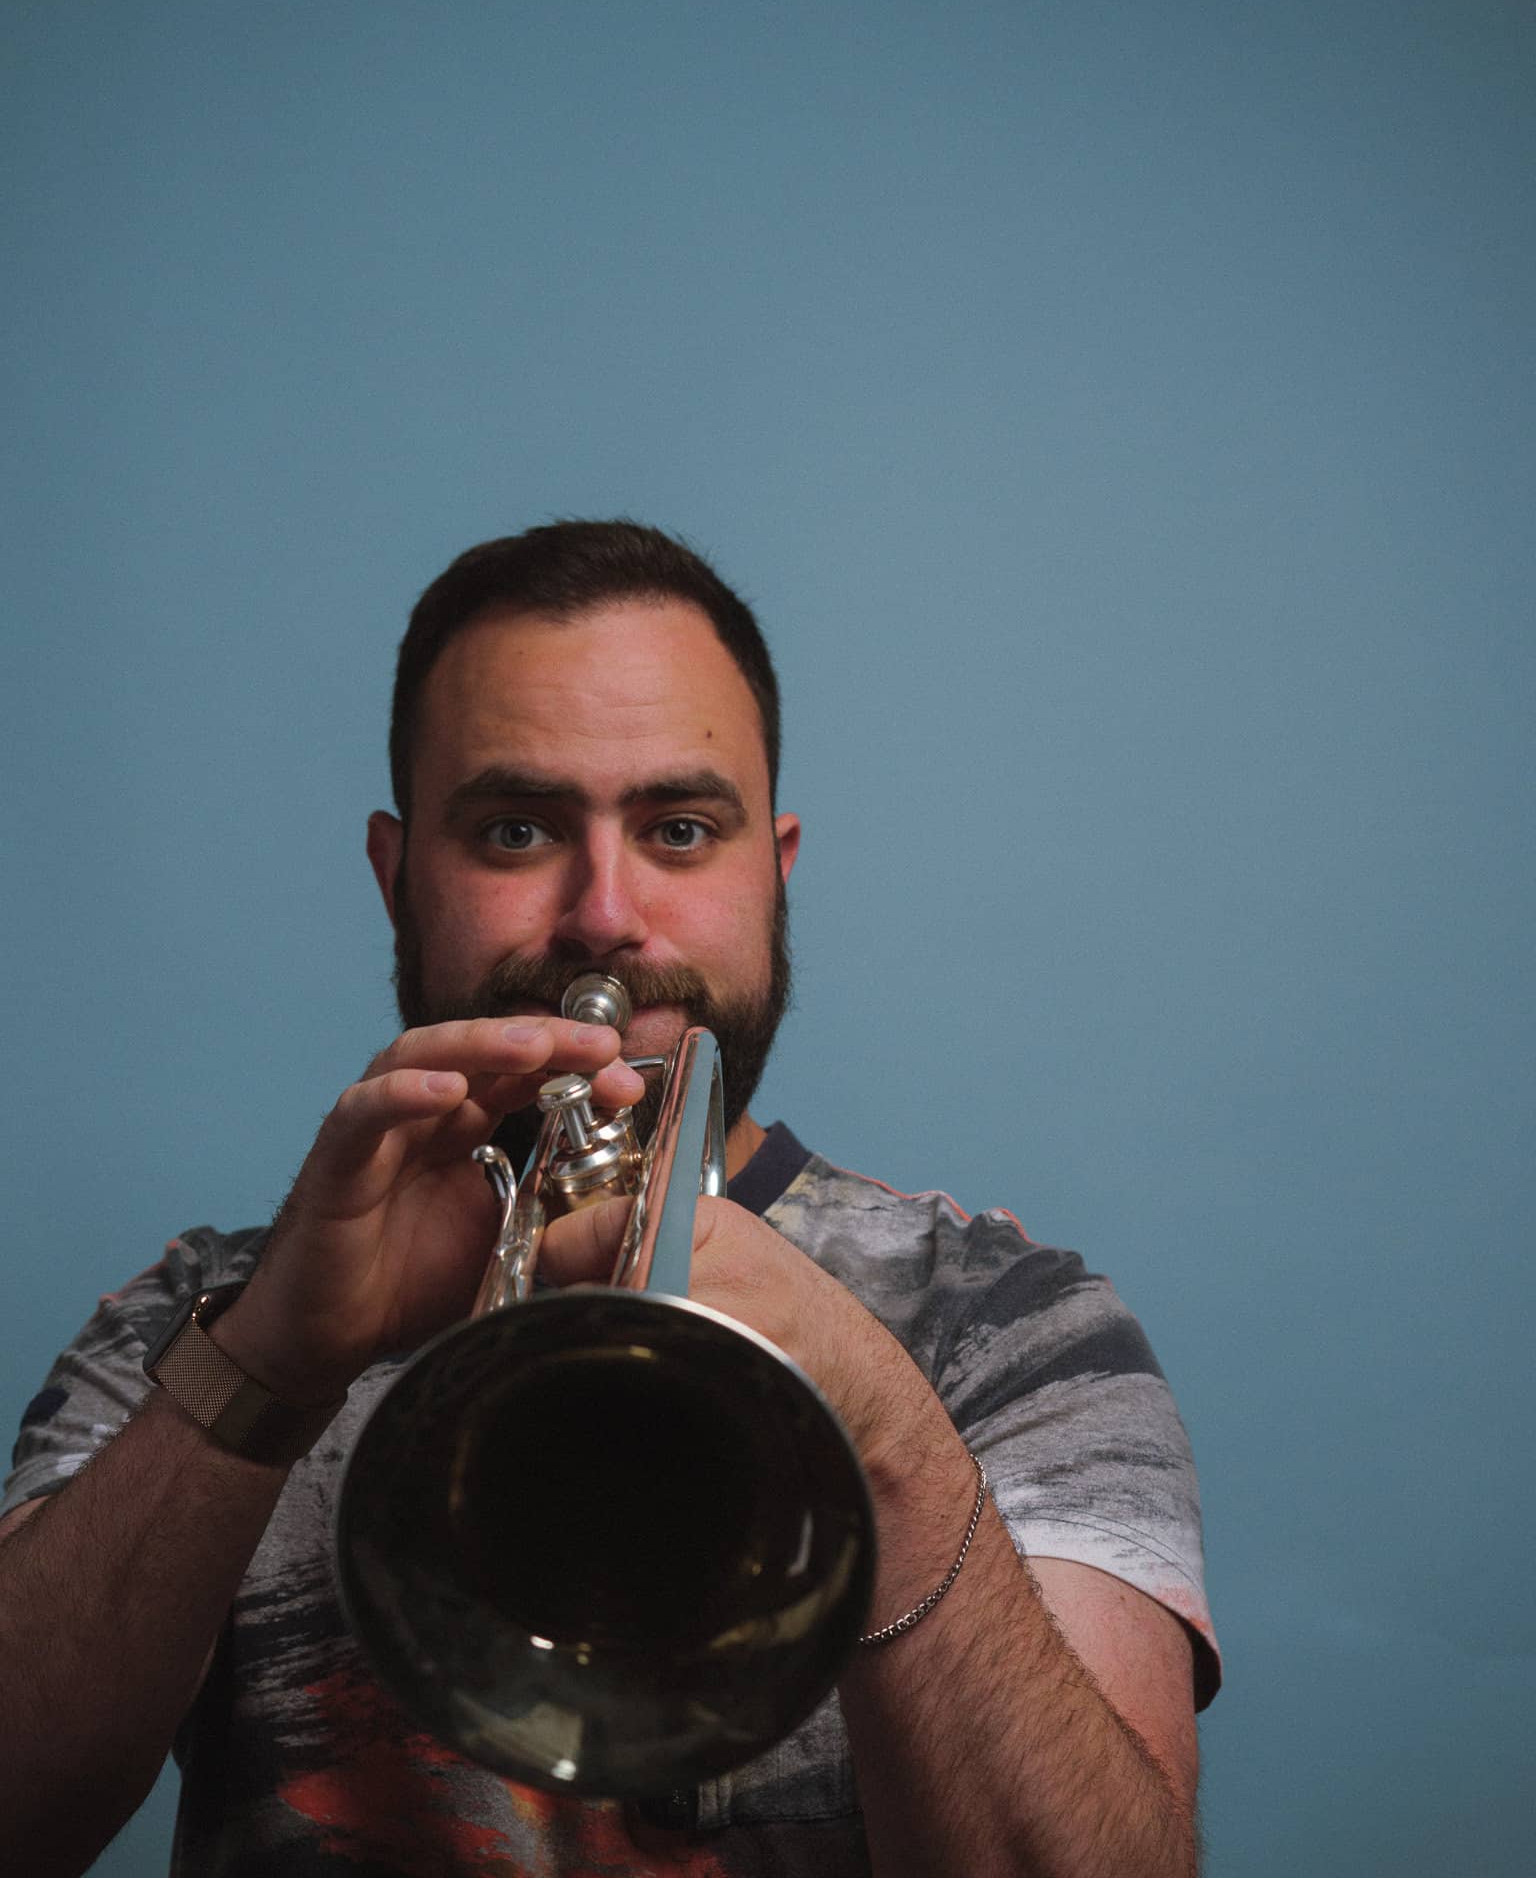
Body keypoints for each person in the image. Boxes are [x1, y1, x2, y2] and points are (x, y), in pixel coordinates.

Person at [0, 521, 1219, 1877]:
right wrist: (263, 1369)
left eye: (680, 831)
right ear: (398, 878)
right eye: (516, 830)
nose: (603, 916)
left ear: (775, 870)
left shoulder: (1012, 1323)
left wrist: (878, 1427)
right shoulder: (197, 1323)